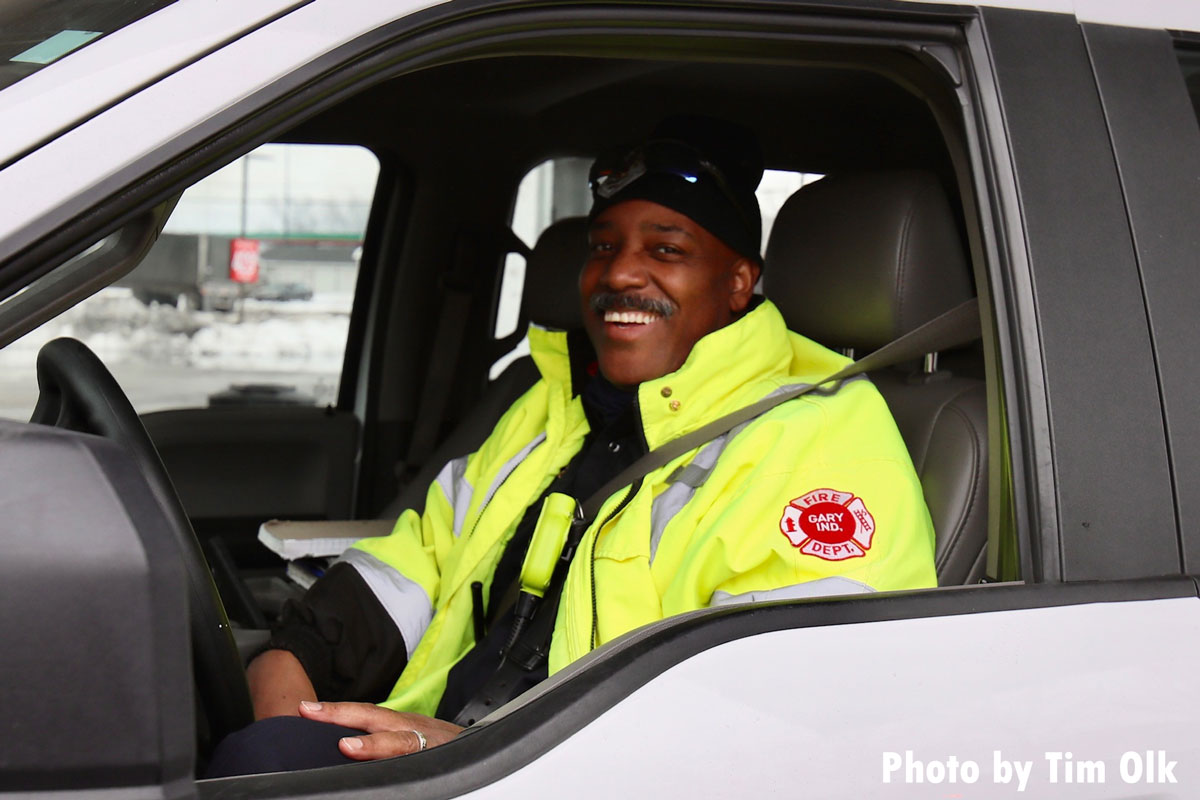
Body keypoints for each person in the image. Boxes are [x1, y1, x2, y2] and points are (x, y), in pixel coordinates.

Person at [214, 116, 936, 775]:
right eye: (603, 247)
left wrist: (486, 755)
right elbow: (422, 560)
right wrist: (296, 657)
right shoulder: (551, 404)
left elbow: (785, 719)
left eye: (666, 249)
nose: (620, 273)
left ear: (739, 282)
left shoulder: (822, 433)